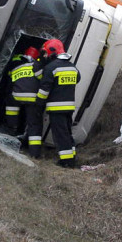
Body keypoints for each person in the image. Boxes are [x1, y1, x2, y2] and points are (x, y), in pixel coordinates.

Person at [37, 39, 80, 168]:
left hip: (56, 107)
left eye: (46, 53)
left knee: (60, 135)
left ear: (52, 52)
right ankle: (72, 157)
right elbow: (78, 79)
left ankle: (66, 162)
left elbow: (44, 89)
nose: (45, 56)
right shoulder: (73, 67)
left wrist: (38, 102)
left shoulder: (51, 68)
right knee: (66, 132)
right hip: (69, 107)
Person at [6, 46, 44, 157]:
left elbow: (10, 82)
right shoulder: (37, 68)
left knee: (11, 110)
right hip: (32, 98)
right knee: (34, 124)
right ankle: (34, 152)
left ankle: (11, 130)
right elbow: (44, 82)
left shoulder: (17, 67)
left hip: (17, 95)